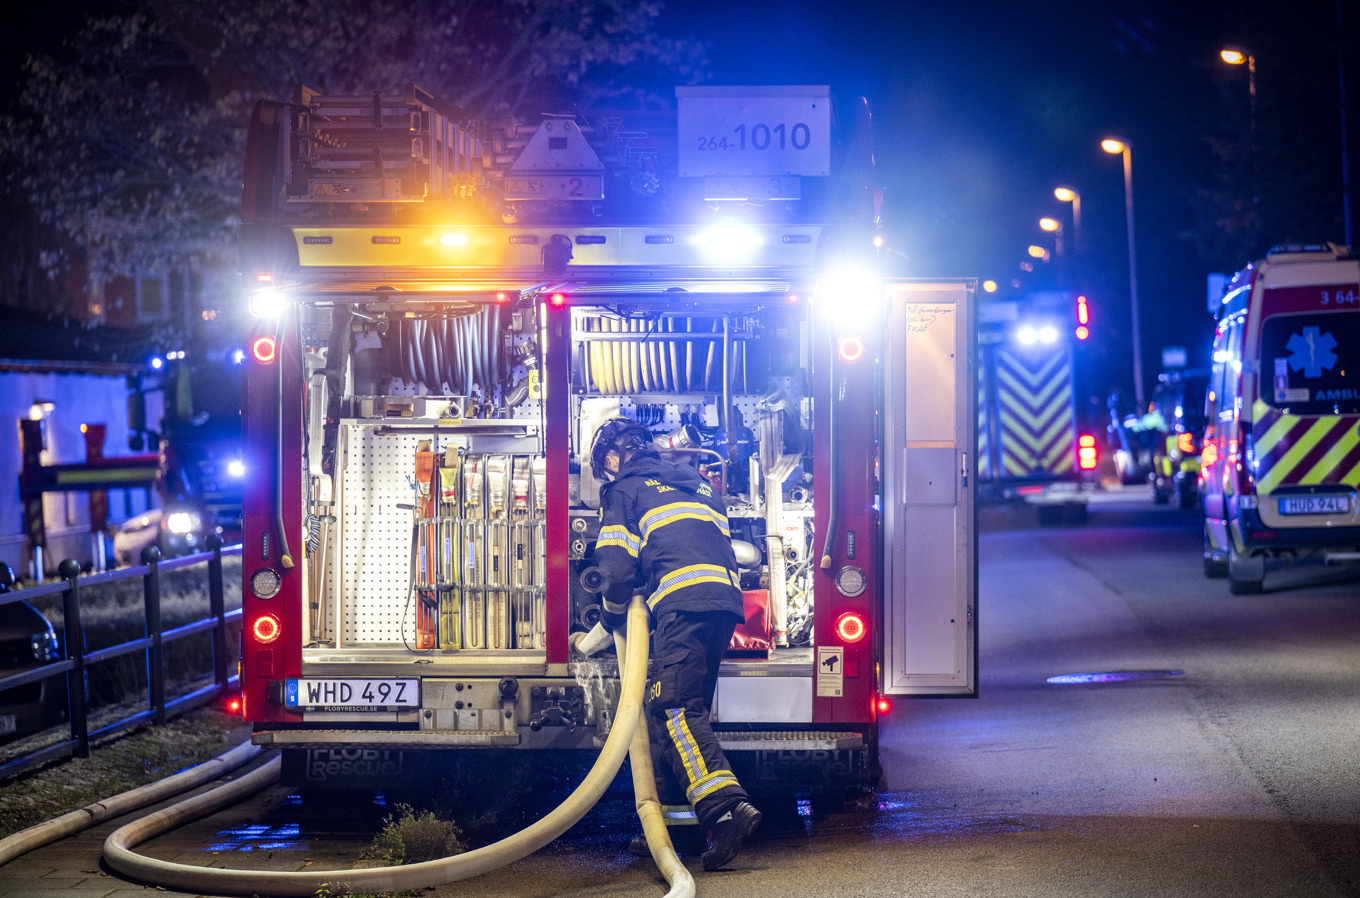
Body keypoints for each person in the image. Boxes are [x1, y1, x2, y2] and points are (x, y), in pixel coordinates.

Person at [589, 416, 762, 870]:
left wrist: (608, 619)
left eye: (604, 466)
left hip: (683, 608)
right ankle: (671, 831)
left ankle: (726, 811)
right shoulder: (698, 482)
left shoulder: (624, 488)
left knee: (673, 710)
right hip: (723, 605)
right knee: (678, 713)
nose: (607, 473)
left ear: (612, 457)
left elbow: (618, 570)